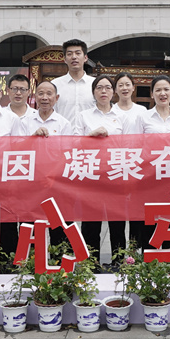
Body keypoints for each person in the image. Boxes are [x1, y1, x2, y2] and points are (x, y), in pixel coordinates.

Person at [72, 75, 125, 257]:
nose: (104, 91)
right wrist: (91, 136)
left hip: (115, 175)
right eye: (99, 88)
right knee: (91, 222)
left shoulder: (121, 116)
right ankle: (90, 262)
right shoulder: (83, 116)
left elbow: (129, 145)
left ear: (113, 91)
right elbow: (74, 143)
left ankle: (119, 261)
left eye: (108, 87)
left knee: (117, 222)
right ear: (93, 92)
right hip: (91, 176)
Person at [130, 75, 170, 248]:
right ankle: (149, 262)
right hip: (149, 178)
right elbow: (135, 146)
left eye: (166, 89)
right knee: (149, 220)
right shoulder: (143, 118)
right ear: (152, 94)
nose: (163, 93)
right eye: (158, 90)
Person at [52, 39, 96, 121]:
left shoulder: (95, 84)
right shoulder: (55, 85)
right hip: (63, 133)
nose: (74, 57)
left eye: (78, 53)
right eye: (69, 54)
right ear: (65, 59)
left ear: (85, 57)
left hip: (89, 133)